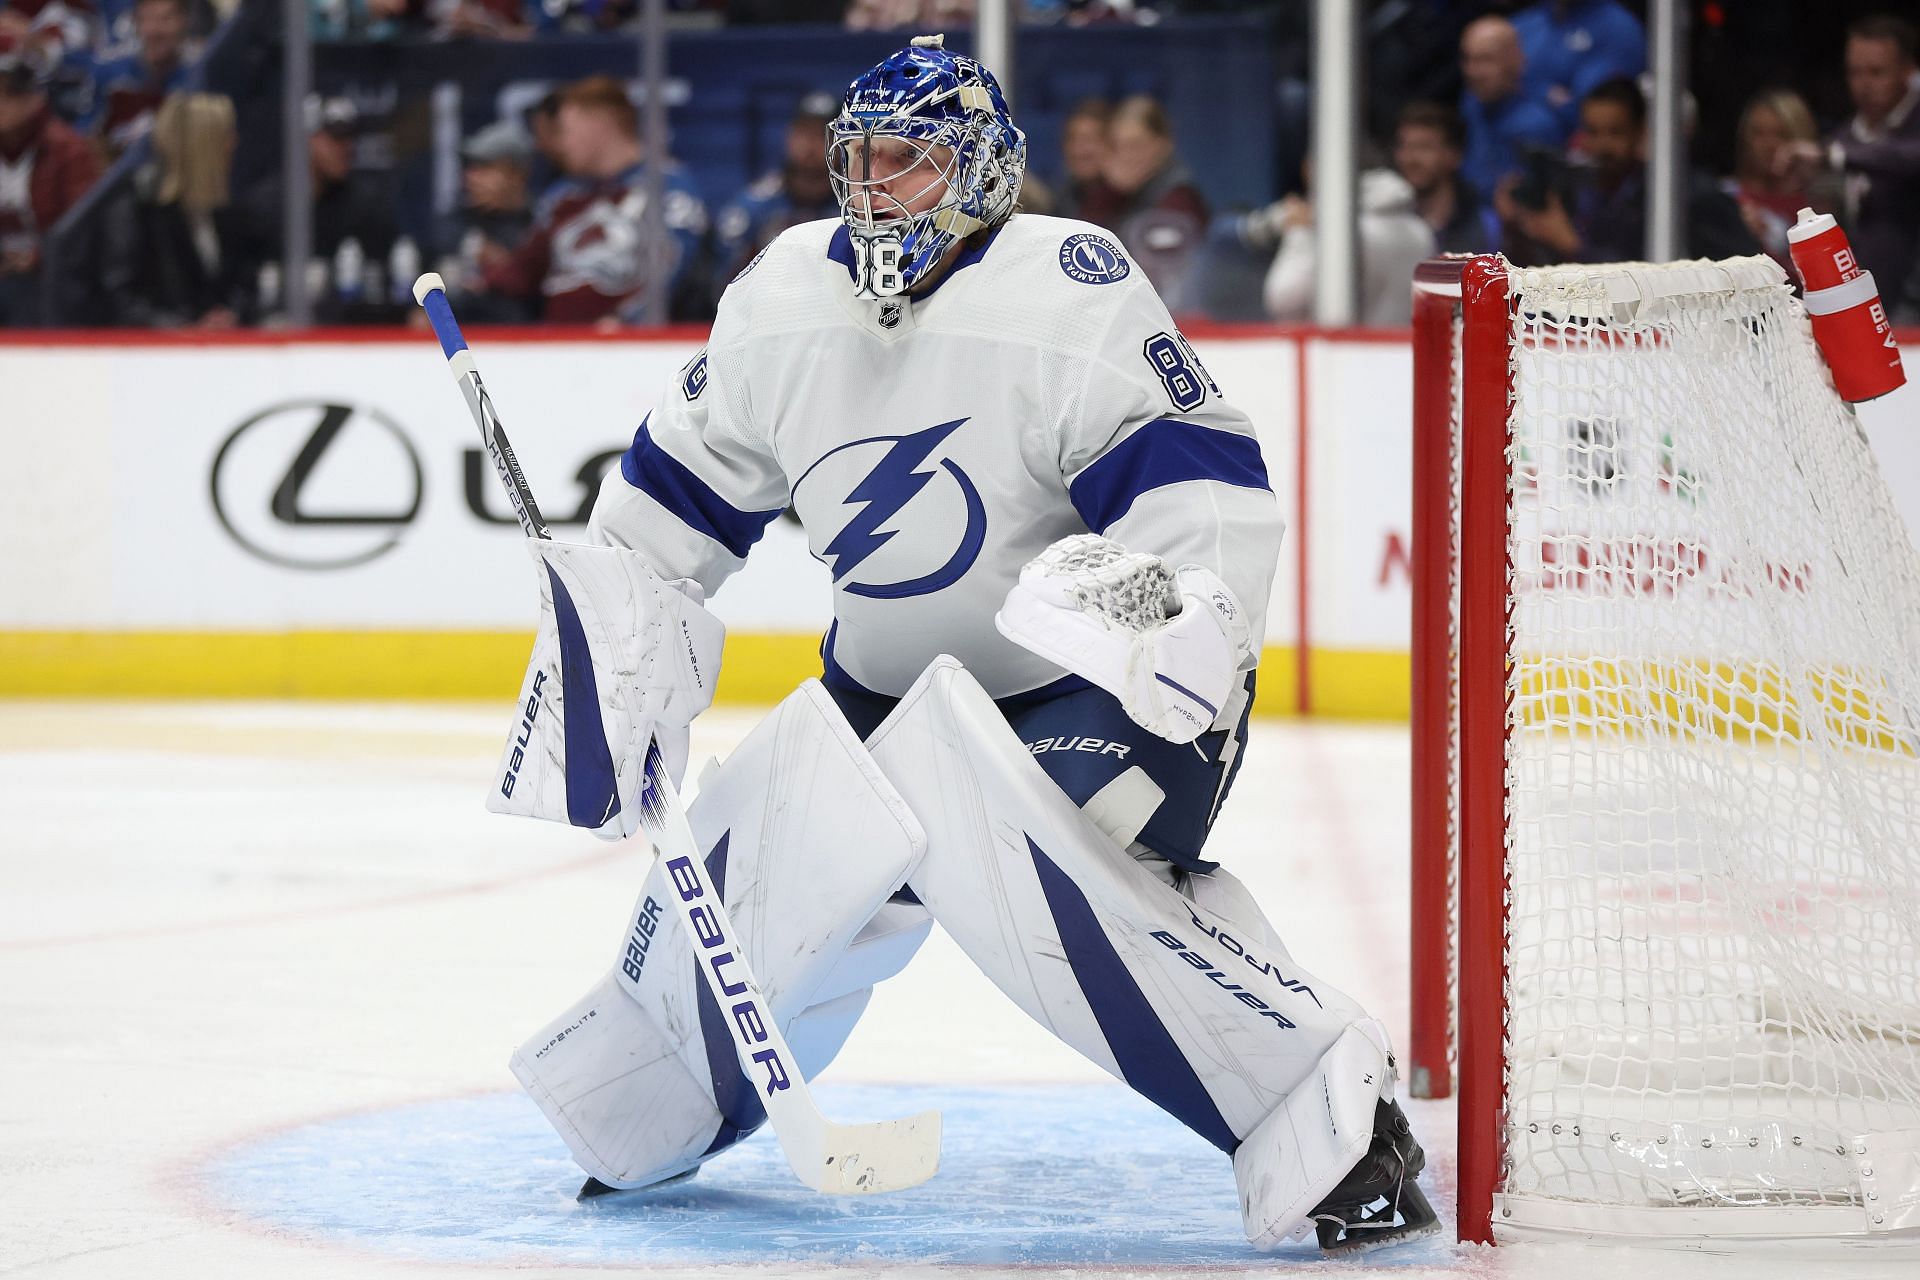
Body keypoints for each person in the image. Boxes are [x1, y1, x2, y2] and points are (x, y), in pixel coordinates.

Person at [503, 33, 1439, 1258]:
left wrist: (1186, 620)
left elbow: (1200, 488)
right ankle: (650, 1106)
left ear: (987, 169)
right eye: (861, 161)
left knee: (1021, 849)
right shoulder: (780, 295)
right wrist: (616, 650)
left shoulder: (1074, 287)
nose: (877, 187)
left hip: (1089, 695)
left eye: (912, 161)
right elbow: (670, 509)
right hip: (881, 695)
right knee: (754, 880)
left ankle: (1331, 1119)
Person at [474, 74, 707, 324]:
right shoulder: (563, 196)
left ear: (600, 123)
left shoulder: (667, 187)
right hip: (554, 346)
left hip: (632, 347)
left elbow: (674, 268)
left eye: (565, 129)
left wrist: (626, 320)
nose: (561, 144)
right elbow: (524, 270)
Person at [1496, 76, 1758, 266]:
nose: (1601, 146)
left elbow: (1648, 276)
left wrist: (1571, 245)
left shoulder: (1685, 196)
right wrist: (1517, 229)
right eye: (1592, 132)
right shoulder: (1572, 191)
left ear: (1640, 132)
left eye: (1615, 133)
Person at [1780, 15, 1920, 321]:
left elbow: (1904, 160)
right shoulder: (1846, 137)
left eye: (1876, 72)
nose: (1863, 85)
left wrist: (1833, 158)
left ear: (1909, 70)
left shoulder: (1841, 149)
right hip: (1869, 300)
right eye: (1854, 72)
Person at [1251, 163, 1436, 326]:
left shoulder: (1337, 233)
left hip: (1345, 355)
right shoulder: (1420, 230)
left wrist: (1299, 230)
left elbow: (1282, 298)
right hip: (1401, 354)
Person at [0, 34, 100, 325]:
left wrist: (37, 257)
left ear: (35, 99)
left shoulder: (67, 151)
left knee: (23, 296)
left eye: (10, 94)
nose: (1, 104)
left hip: (45, 277)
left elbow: (80, 232)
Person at [1077, 95, 1208, 309]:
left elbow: (1160, 273)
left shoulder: (1178, 197)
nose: (1127, 155)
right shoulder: (1109, 193)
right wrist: (1111, 192)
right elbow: (1085, 246)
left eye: (1136, 144)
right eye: (1118, 146)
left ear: (1163, 145)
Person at [710, 91, 838, 299]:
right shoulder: (754, 207)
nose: (811, 146)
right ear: (789, 137)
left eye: (823, 135)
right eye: (803, 133)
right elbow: (722, 283)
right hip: (764, 318)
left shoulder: (858, 207)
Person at [1457, 15, 1563, 199]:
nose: (1473, 72)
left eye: (1485, 60)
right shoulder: (1470, 103)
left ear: (1515, 60)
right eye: (1468, 59)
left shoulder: (1537, 124)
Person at [1510, 0, 1647, 137]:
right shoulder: (1526, 22)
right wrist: (1546, 92)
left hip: (1577, 149)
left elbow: (1595, 110)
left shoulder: (1619, 29)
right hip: (1503, 144)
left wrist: (1530, 87)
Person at [1724, 89, 1820, 276]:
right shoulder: (1727, 198)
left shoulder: (1818, 206)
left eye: (1780, 134)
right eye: (1758, 134)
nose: (1768, 144)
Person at [84, 0, 195, 159]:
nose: (154, 30)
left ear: (183, 22)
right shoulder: (109, 71)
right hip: (118, 172)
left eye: (165, 19)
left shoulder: (199, 71)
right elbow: (87, 134)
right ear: (136, 23)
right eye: (147, 19)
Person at [1394, 100, 1499, 254]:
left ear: (1454, 156)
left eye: (1424, 147)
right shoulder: (1390, 224)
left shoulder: (1483, 226)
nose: (1410, 158)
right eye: (1404, 146)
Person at [1052, 97, 1111, 222]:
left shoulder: (1135, 201)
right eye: (1071, 139)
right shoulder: (1062, 197)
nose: (1077, 151)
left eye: (1088, 140)